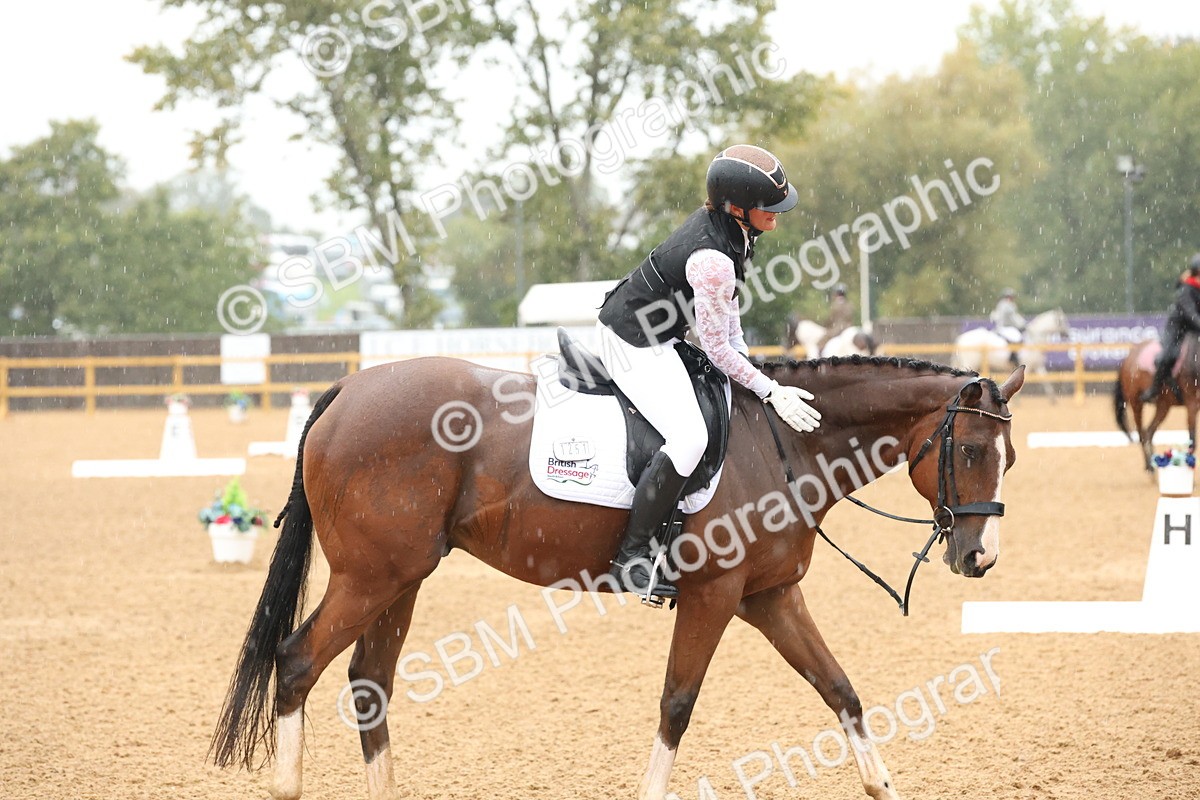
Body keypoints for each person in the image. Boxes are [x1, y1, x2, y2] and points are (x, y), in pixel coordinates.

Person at [596, 144, 821, 601]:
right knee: (689, 438)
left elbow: (731, 332)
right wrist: (771, 391)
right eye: (767, 208)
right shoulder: (713, 260)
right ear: (738, 207)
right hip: (632, 343)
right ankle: (633, 557)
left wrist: (759, 376)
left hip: (660, 333)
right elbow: (717, 348)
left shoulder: (734, 234)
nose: (777, 215)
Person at [1142, 254, 1200, 402]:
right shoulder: (1185, 290)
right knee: (1168, 355)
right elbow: (1190, 314)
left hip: (1193, 328)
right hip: (1178, 328)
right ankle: (1154, 389)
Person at [990, 288, 1025, 367]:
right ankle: (1013, 357)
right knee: (1017, 337)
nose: (1011, 298)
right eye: (1010, 296)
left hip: (1002, 327)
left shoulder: (1002, 304)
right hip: (1006, 327)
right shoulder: (1008, 305)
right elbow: (1013, 318)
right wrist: (1022, 325)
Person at [818, 283, 854, 354]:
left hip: (836, 329)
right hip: (848, 327)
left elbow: (830, 319)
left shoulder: (834, 305)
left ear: (836, 293)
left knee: (820, 343)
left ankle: (819, 358)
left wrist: (825, 325)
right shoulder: (850, 305)